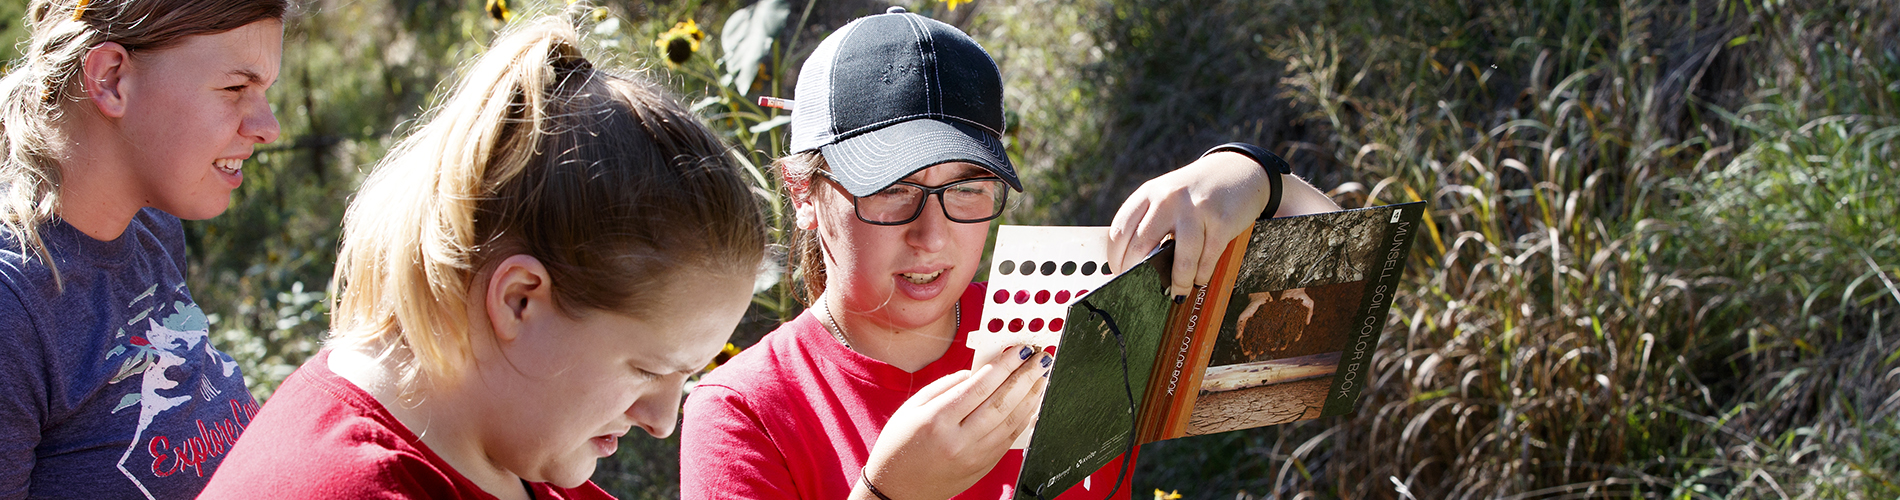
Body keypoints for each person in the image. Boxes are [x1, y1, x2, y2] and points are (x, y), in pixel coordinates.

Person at [679, 7, 1342, 500]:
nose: (931, 236)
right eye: (891, 192)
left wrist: (1257, 178)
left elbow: (1323, 344)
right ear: (802, 191)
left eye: (966, 189)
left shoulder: (1067, 325)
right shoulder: (745, 411)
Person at [198, 15, 768, 500]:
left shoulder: (510, 446)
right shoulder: (344, 484)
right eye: (648, 369)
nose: (664, 422)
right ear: (519, 299)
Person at [0, 0, 286, 497]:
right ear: (111, 79)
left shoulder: (151, 226)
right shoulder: (13, 309)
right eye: (235, 88)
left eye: (264, 91)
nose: (267, 126)